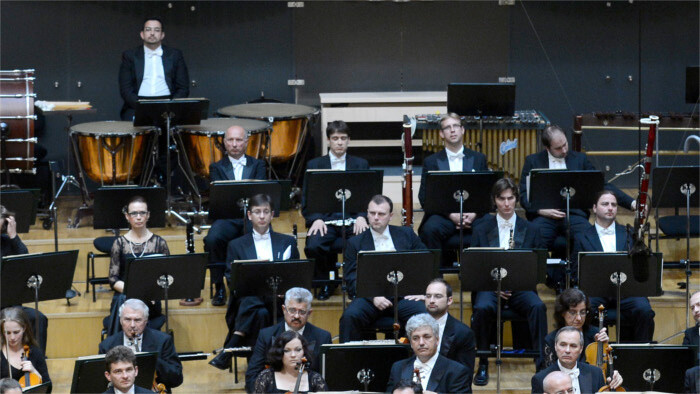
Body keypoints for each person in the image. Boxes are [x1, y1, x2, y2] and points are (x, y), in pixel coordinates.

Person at [518, 125, 636, 287]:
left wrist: (631, 203)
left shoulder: (579, 159)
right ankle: (545, 280)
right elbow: (524, 196)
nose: (564, 150)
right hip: (544, 216)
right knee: (533, 237)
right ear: (547, 148)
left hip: (573, 215)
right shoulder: (533, 161)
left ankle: (582, 280)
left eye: (565, 144)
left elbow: (601, 185)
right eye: (558, 148)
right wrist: (540, 209)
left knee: (588, 238)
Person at [470, 177, 547, 385]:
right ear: (494, 200)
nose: (506, 204)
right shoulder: (480, 227)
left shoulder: (531, 228)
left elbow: (537, 267)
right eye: (501, 199)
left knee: (538, 307)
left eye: (510, 198)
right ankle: (484, 362)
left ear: (516, 199)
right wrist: (494, 286)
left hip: (520, 286)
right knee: (483, 307)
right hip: (489, 286)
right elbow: (475, 265)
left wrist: (516, 281)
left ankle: (543, 365)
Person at [209, 193, 300, 370]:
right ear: (249, 215)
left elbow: (295, 273)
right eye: (257, 212)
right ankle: (262, 368)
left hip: (278, 299)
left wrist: (286, 291)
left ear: (272, 214)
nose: (262, 216)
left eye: (266, 211)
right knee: (258, 309)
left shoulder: (287, 242)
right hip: (250, 300)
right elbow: (231, 278)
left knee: (256, 307)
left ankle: (236, 346)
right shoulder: (236, 245)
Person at [338, 195, 427, 342]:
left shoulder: (407, 235)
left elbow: (424, 262)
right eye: (372, 213)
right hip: (369, 298)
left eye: (381, 214)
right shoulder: (354, 243)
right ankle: (348, 362)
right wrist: (373, 296)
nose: (376, 218)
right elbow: (352, 278)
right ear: (367, 213)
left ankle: (421, 362)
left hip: (403, 296)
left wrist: (424, 292)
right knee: (349, 317)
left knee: (423, 314)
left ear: (391, 216)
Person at [572, 190, 655, 342]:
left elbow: (639, 266)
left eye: (614, 205)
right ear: (595, 208)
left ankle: (640, 355)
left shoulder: (629, 232)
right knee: (585, 310)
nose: (610, 208)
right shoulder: (581, 237)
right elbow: (575, 270)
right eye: (605, 204)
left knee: (644, 310)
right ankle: (590, 357)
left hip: (625, 290)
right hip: (595, 291)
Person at [303, 120, 370, 300]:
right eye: (335, 138)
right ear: (328, 140)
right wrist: (316, 219)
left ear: (349, 140)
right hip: (325, 220)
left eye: (343, 138)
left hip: (353, 219)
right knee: (314, 245)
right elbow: (307, 199)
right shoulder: (314, 165)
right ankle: (327, 281)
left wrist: (363, 217)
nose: (339, 142)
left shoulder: (361, 164)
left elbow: (368, 196)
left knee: (362, 243)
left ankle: (354, 284)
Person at [204, 125, 267, 307]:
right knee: (213, 239)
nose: (234, 144)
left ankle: (255, 286)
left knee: (260, 234)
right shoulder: (216, 167)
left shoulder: (258, 165)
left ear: (246, 142)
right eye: (230, 140)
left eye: (239, 140)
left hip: (253, 217)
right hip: (227, 217)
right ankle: (219, 286)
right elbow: (219, 198)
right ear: (224, 143)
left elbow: (261, 195)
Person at [417, 113, 489, 265]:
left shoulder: (479, 158)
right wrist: (451, 215)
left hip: (473, 214)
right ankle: (436, 280)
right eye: (447, 128)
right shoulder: (431, 162)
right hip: (444, 216)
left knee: (490, 224)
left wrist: (474, 213)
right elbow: (424, 197)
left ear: (462, 130)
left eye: (456, 126)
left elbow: (487, 193)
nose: (452, 130)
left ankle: (479, 276)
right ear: (441, 134)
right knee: (430, 230)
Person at [244, 287, 331, 393]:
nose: (296, 316)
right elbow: (252, 375)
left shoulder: (323, 337)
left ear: (309, 313)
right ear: (284, 309)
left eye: (302, 312)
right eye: (292, 310)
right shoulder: (266, 335)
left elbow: (329, 377)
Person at [107, 196, 169, 335]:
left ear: (148, 215)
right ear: (127, 216)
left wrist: (147, 294)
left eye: (142, 213)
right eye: (134, 213)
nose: (139, 217)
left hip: (150, 299)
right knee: (123, 304)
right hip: (124, 296)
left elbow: (166, 277)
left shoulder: (160, 243)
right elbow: (113, 280)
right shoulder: (119, 243)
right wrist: (135, 292)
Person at [98, 299, 183, 390]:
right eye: (127, 319)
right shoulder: (106, 345)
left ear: (146, 321)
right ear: (121, 320)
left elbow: (176, 378)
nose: (132, 325)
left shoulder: (163, 341)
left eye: (137, 320)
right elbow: (101, 383)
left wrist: (151, 359)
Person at [119, 17, 189, 121]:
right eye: (148, 30)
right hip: (137, 104)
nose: (152, 33)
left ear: (162, 35)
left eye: (157, 30)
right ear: (142, 34)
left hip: (168, 104)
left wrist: (171, 105)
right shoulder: (129, 55)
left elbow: (183, 88)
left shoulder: (175, 55)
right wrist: (141, 107)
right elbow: (126, 90)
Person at [0, 206, 48, 354]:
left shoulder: (8, 242)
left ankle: (37, 362)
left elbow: (26, 262)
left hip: (11, 306)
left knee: (39, 318)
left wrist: (14, 236)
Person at [386, 313, 471, 393]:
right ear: (411, 343)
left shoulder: (457, 371)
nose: (421, 342)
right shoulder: (397, 368)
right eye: (415, 338)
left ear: (437, 340)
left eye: (427, 337)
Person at [531, 326, 622, 393]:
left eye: (573, 346)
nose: (567, 350)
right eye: (563, 345)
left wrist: (615, 384)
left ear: (581, 349)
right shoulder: (540, 378)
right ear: (555, 346)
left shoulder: (595, 373)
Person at [541, 289, 609, 369]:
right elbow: (548, 374)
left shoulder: (595, 335)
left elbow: (604, 371)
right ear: (562, 312)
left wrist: (604, 347)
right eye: (573, 312)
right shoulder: (551, 339)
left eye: (583, 312)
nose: (579, 318)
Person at [423, 278, 476, 377]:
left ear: (449, 300)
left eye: (438, 296)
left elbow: (464, 375)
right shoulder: (414, 327)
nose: (431, 301)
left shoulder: (463, 333)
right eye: (428, 296)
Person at [252, 330, 328, 393]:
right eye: (287, 350)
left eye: (298, 350)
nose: (293, 355)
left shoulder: (316, 380)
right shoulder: (266, 377)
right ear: (279, 353)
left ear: (304, 352)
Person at [0, 308, 50, 384]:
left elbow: (48, 388)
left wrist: (34, 372)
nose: (12, 337)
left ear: (24, 328)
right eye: (8, 333)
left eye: (16, 332)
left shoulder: (34, 352)